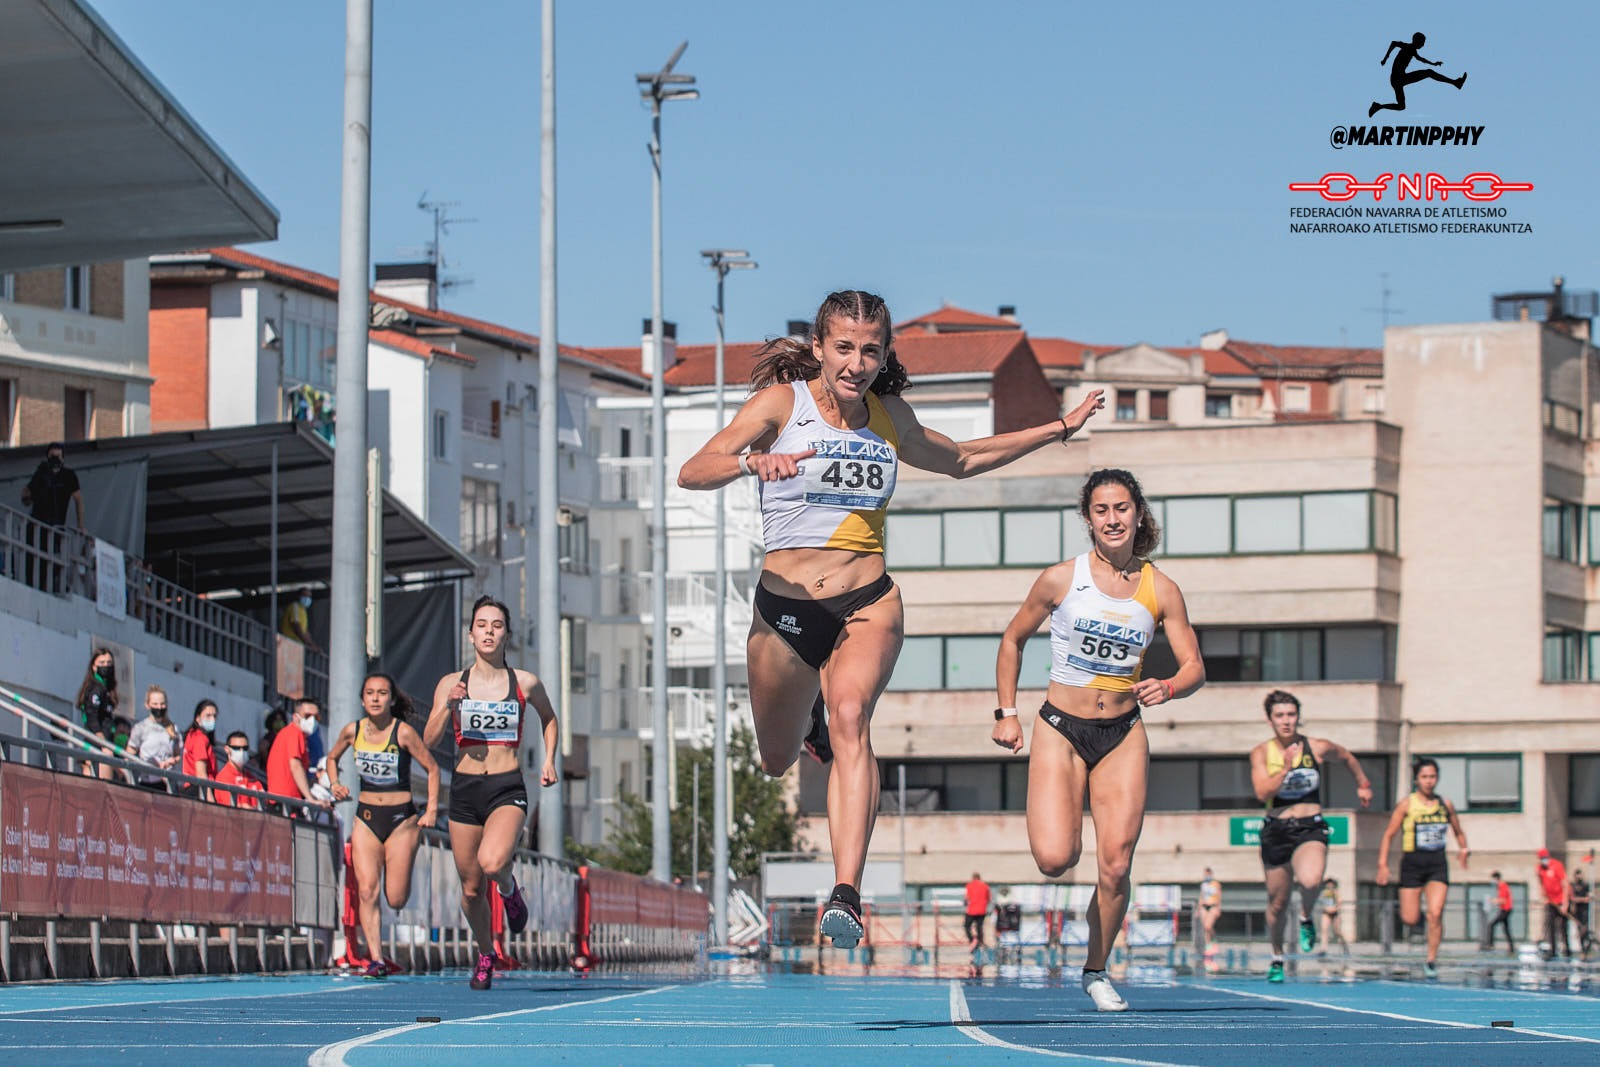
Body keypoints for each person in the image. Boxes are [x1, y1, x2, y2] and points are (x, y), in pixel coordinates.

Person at [678, 289, 1105, 952]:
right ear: (820, 347)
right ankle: (808, 720)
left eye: (870, 350)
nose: (856, 362)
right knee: (774, 757)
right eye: (843, 347)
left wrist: (1058, 429)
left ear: (884, 354)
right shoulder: (779, 406)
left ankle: (844, 890)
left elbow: (963, 458)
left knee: (853, 716)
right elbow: (691, 470)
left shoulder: (888, 416)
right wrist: (748, 461)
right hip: (786, 607)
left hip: (868, 599)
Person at [992, 467, 1204, 1011]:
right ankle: (1062, 820)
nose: (1113, 518)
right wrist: (1006, 713)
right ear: (1089, 519)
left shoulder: (1163, 589)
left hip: (1123, 731)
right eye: (1102, 510)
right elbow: (1013, 640)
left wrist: (1172, 685)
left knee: (1115, 865)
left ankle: (1095, 968)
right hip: (1061, 727)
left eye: (1122, 508)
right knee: (1055, 858)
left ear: (1139, 514)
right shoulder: (1061, 579)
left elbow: (1195, 666)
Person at [424, 596, 559, 991]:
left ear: (506, 635)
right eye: (481, 625)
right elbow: (429, 741)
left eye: (496, 625)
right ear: (471, 635)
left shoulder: (525, 682)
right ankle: (486, 954)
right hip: (465, 788)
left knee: (492, 861)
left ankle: (509, 889)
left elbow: (549, 718)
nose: (488, 631)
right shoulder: (452, 683)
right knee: (469, 890)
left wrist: (549, 759)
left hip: (506, 786)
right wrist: (446, 708)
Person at [1249, 689, 1374, 983]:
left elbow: (1346, 756)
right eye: (1279, 716)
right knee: (1277, 904)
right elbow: (1262, 793)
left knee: (1311, 880)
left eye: (1291, 715)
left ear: (1298, 717)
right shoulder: (1261, 753)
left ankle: (1306, 916)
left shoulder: (1316, 747)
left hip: (1310, 826)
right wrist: (1288, 768)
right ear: (1270, 720)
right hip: (1277, 828)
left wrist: (1363, 783)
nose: (1286, 721)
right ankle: (1277, 956)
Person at [327, 672, 441, 979]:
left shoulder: (402, 733)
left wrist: (429, 811)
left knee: (395, 898)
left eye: (381, 693)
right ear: (362, 699)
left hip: (402, 820)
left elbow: (432, 769)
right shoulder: (353, 731)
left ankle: (403, 860)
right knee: (366, 891)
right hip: (366, 817)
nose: (375, 698)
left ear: (391, 700)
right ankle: (375, 958)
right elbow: (332, 757)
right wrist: (335, 783)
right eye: (370, 693)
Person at [1375, 757, 1468, 978]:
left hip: (1437, 862)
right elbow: (1389, 834)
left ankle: (1431, 959)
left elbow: (1458, 831)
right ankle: (1418, 916)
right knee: (1409, 918)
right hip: (1412, 863)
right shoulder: (1407, 804)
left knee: (1435, 913)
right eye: (1424, 777)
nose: (1429, 781)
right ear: (1417, 780)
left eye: (1432, 777)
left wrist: (1464, 849)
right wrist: (1382, 864)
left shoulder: (1445, 804)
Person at [20, 441, 85, 592]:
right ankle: (34, 586)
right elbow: (27, 497)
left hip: (56, 528)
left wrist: (81, 525)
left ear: (63, 458)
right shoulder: (41, 473)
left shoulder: (68, 476)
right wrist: (27, 494)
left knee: (54, 561)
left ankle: (46, 587)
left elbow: (78, 499)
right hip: (37, 525)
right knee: (33, 560)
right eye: (52, 456)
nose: (55, 460)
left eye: (58, 456)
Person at [1368, 32, 1467, 119]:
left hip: (1397, 80)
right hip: (1398, 78)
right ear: (1417, 41)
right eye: (1422, 43)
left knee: (1401, 106)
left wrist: (1433, 63)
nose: (1423, 45)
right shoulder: (1408, 47)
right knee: (1429, 72)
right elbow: (1394, 43)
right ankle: (1455, 82)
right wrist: (1386, 58)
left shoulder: (1412, 50)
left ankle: (1378, 106)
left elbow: (1421, 59)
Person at [267, 698, 332, 813]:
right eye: (307, 716)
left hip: (287, 800)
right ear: (296, 717)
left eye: (316, 717)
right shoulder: (294, 733)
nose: (312, 720)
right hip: (285, 802)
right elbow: (295, 766)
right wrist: (310, 798)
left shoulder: (297, 736)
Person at [73, 647, 118, 779]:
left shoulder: (107, 689)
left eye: (109, 663)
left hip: (105, 742)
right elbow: (92, 719)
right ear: (93, 666)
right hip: (96, 745)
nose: (106, 666)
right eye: (102, 663)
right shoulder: (95, 688)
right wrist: (103, 744)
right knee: (103, 787)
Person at [126, 685, 180, 789]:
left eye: (162, 704)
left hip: (167, 781)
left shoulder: (172, 728)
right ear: (147, 705)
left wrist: (171, 761)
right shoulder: (141, 727)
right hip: (147, 780)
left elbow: (178, 754)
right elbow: (130, 754)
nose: (159, 707)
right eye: (155, 704)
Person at [178, 699, 221, 799]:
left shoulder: (192, 735)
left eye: (214, 716)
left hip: (193, 787)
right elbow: (201, 772)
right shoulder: (200, 738)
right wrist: (210, 799)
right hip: (198, 790)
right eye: (208, 716)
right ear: (198, 718)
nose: (212, 719)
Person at [214, 731, 265, 808]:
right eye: (236, 748)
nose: (241, 752)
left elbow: (264, 801)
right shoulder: (223, 778)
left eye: (245, 748)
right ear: (227, 749)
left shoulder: (252, 778)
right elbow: (231, 808)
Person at [1536, 848, 1570, 959]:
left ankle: (1566, 948)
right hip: (1550, 902)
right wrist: (1544, 896)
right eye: (1541, 858)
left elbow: (1565, 884)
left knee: (1562, 927)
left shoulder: (1557, 865)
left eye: (1544, 857)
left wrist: (1565, 903)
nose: (1543, 860)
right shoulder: (1539, 869)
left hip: (1560, 901)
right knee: (1550, 925)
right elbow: (1541, 883)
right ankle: (1553, 950)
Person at [279, 587, 321, 653]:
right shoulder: (295, 607)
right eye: (305, 596)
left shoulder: (303, 610)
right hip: (289, 643)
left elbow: (305, 631)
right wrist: (308, 644)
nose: (307, 599)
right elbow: (296, 626)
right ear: (299, 596)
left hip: (297, 646)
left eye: (309, 596)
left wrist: (313, 645)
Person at [1486, 870, 1515, 955]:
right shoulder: (1500, 886)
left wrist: (1493, 901)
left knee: (1491, 924)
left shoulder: (1502, 886)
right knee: (1506, 929)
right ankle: (1511, 948)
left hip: (1506, 910)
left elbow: (1503, 900)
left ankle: (1490, 944)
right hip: (1504, 909)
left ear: (1496, 878)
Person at [1317, 878, 1348, 957]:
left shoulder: (1335, 892)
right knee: (1324, 930)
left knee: (1337, 931)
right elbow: (1321, 902)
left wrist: (1335, 908)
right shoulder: (1324, 893)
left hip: (1334, 913)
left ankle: (1344, 946)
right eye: (1328, 884)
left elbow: (1339, 903)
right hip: (1326, 913)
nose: (1329, 885)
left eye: (1331, 884)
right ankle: (1323, 949)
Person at [1197, 868, 1222, 958]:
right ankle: (1208, 946)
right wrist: (1198, 909)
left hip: (1213, 906)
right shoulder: (1203, 885)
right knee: (1205, 928)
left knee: (1208, 926)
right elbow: (1201, 896)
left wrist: (1219, 908)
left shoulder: (1215, 884)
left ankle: (1214, 941)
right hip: (1204, 906)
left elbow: (1219, 896)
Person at [964, 872, 991, 949]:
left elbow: (966, 898)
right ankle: (981, 941)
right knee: (979, 926)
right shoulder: (985, 886)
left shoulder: (969, 885)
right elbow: (989, 898)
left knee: (967, 926)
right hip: (982, 910)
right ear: (980, 878)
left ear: (973, 878)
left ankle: (972, 939)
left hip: (972, 910)